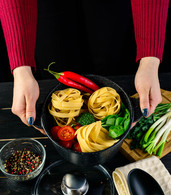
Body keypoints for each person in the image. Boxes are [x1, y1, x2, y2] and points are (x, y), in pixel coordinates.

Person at [0, 0, 169, 131]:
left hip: (115, 9)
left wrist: (149, 61)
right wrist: (22, 69)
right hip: (46, 9)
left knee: (113, 61)